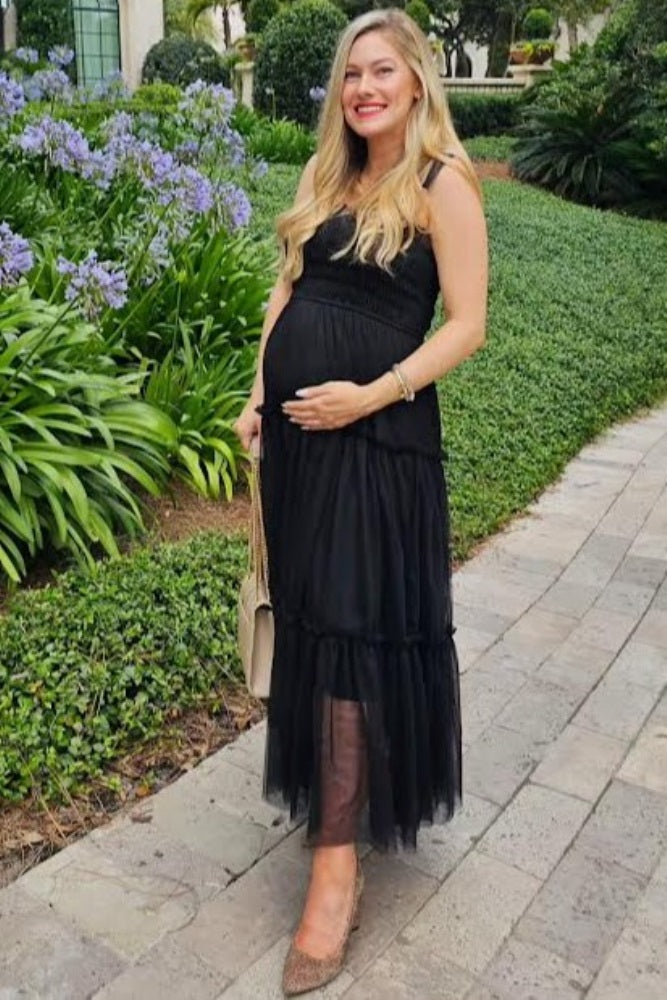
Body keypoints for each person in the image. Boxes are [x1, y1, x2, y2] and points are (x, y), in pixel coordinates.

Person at [233, 8, 488, 995]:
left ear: (416, 80)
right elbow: (286, 292)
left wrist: (372, 394)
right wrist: (259, 394)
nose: (364, 89)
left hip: (378, 445)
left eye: (381, 71)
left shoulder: (441, 182)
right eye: (351, 75)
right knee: (313, 623)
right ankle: (338, 812)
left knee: (350, 626)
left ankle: (335, 877)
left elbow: (466, 324)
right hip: (299, 446)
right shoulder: (327, 174)